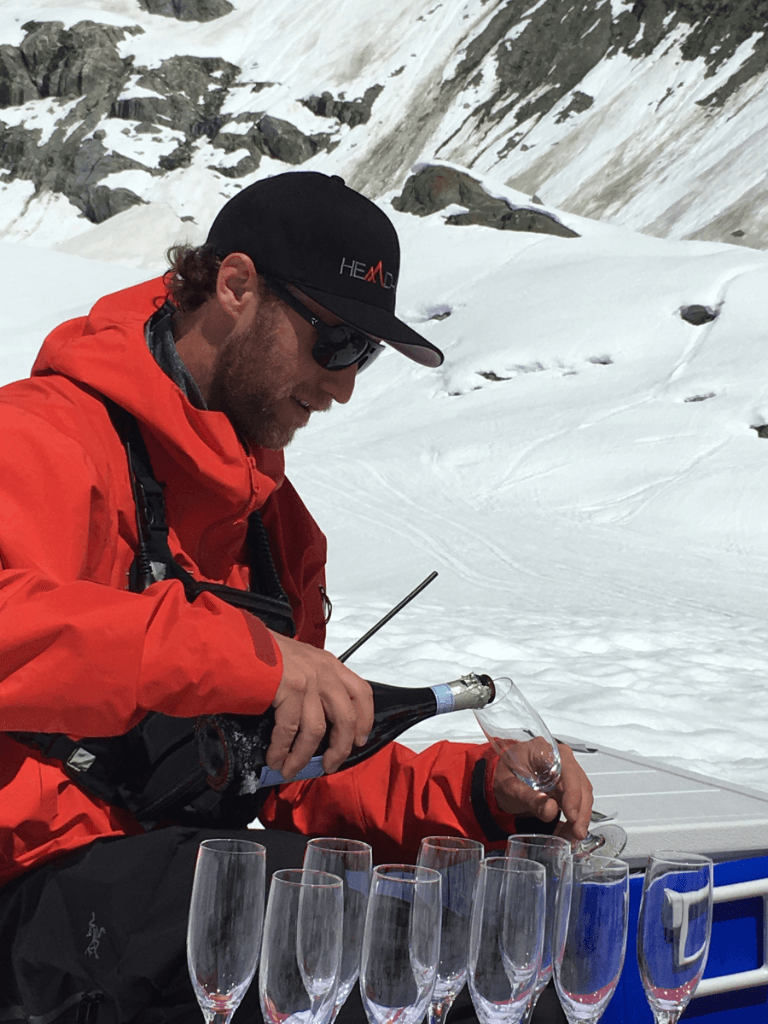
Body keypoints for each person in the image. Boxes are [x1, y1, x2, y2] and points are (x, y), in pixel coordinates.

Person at [0, 171, 592, 1023]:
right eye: (336, 343)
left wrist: (474, 795)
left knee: (482, 970)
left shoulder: (280, 534)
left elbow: (288, 772)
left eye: (366, 354)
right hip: (30, 887)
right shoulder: (43, 438)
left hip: (186, 879)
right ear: (236, 286)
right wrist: (243, 659)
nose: (344, 386)